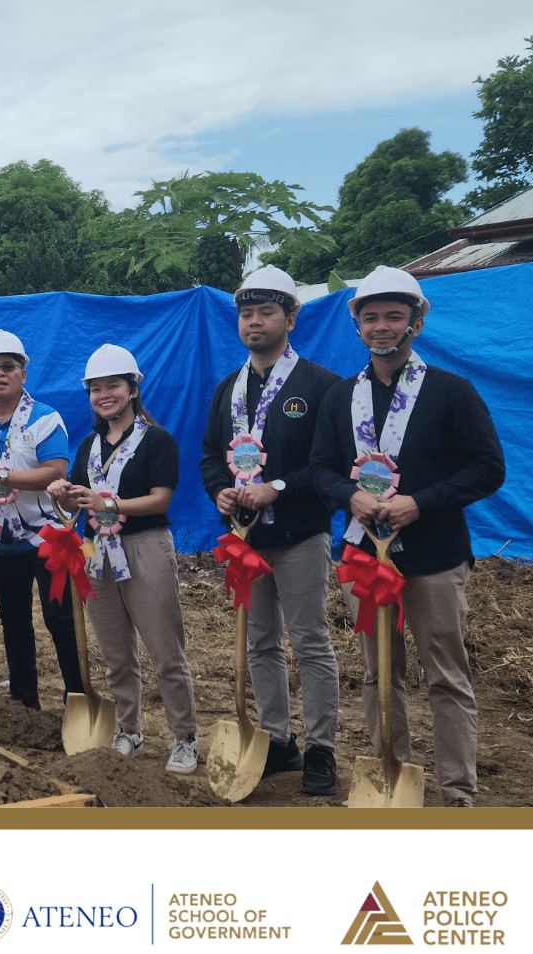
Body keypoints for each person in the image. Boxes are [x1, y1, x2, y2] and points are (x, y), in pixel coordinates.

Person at [309, 266, 503, 807]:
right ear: (357, 326)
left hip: (434, 557)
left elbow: (488, 468)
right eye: (370, 317)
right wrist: (349, 495)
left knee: (446, 673)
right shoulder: (341, 397)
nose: (381, 326)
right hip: (364, 557)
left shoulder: (451, 392)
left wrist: (420, 502)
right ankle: (390, 772)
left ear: (416, 321)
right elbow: (321, 467)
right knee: (378, 674)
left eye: (394, 315)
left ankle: (457, 789)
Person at [198, 265, 342, 796]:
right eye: (246, 313)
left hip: (301, 534)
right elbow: (212, 457)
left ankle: (322, 748)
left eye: (266, 312)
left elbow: (331, 466)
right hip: (246, 539)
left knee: (309, 640)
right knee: (259, 642)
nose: (254, 322)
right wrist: (221, 491)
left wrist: (276, 486)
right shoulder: (226, 390)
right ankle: (279, 740)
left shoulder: (321, 385)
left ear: (291, 318)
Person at [48, 344, 199, 774]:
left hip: (145, 545)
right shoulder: (88, 446)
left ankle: (184, 737)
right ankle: (128, 729)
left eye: (113, 385)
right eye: (95, 389)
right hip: (98, 554)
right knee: (115, 653)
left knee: (164, 649)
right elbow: (77, 505)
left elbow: (160, 499)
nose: (103, 395)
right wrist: (62, 494)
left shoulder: (157, 440)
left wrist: (108, 503)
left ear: (133, 388)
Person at [0, 329, 83, 711]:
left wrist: (0, 475)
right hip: (4, 541)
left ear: (24, 373)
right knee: (14, 623)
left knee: (61, 621)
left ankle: (77, 697)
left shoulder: (45, 418)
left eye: (9, 367)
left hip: (49, 540)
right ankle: (24, 702)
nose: (0, 374)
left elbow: (56, 472)